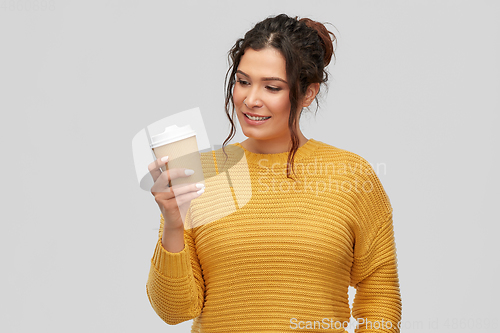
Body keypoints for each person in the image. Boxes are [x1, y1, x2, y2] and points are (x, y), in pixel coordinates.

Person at [146, 13, 402, 332]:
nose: (250, 100)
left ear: (307, 93)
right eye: (242, 82)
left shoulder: (351, 175)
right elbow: (175, 310)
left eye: (271, 87)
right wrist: (173, 223)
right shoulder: (200, 174)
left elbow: (379, 293)